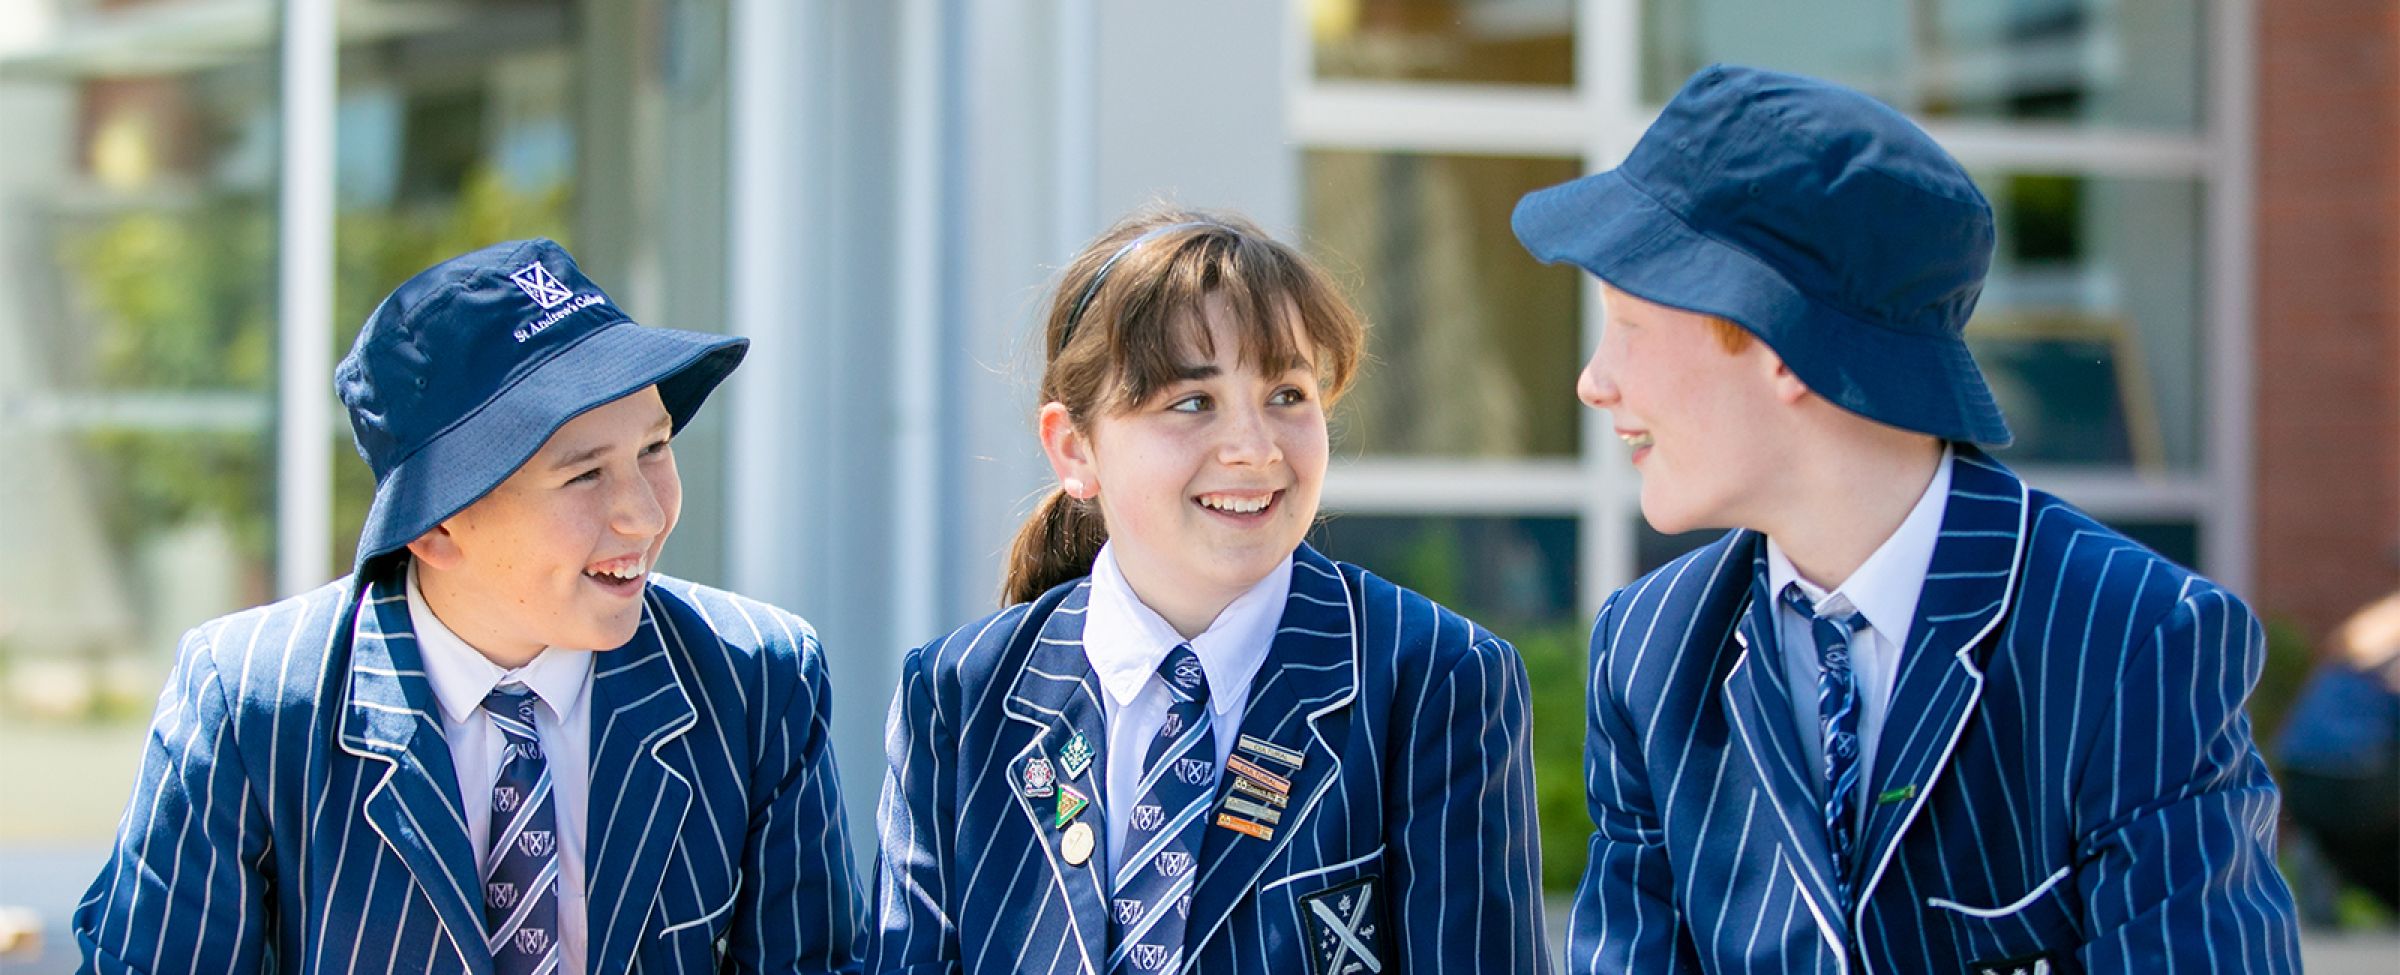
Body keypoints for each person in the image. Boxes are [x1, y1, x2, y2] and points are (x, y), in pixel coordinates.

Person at [1512, 65, 2302, 973]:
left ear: (1778, 337)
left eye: (1629, 323)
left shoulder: (2134, 641)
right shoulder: (1650, 649)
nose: (1593, 380)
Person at [74, 239, 866, 974]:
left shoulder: (755, 678)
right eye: (584, 474)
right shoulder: (253, 700)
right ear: (438, 527)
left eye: (653, 449)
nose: (645, 514)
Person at [866, 209, 1549, 974]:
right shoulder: (961, 695)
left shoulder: (1431, 679)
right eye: (1193, 403)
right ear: (1073, 447)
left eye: (1288, 394)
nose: (1254, 448)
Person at [2277, 591, 2400, 911]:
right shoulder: (2391, 659)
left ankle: (2317, 876)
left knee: (2350, 842)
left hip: (2299, 775)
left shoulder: (2352, 653)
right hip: (2362, 779)